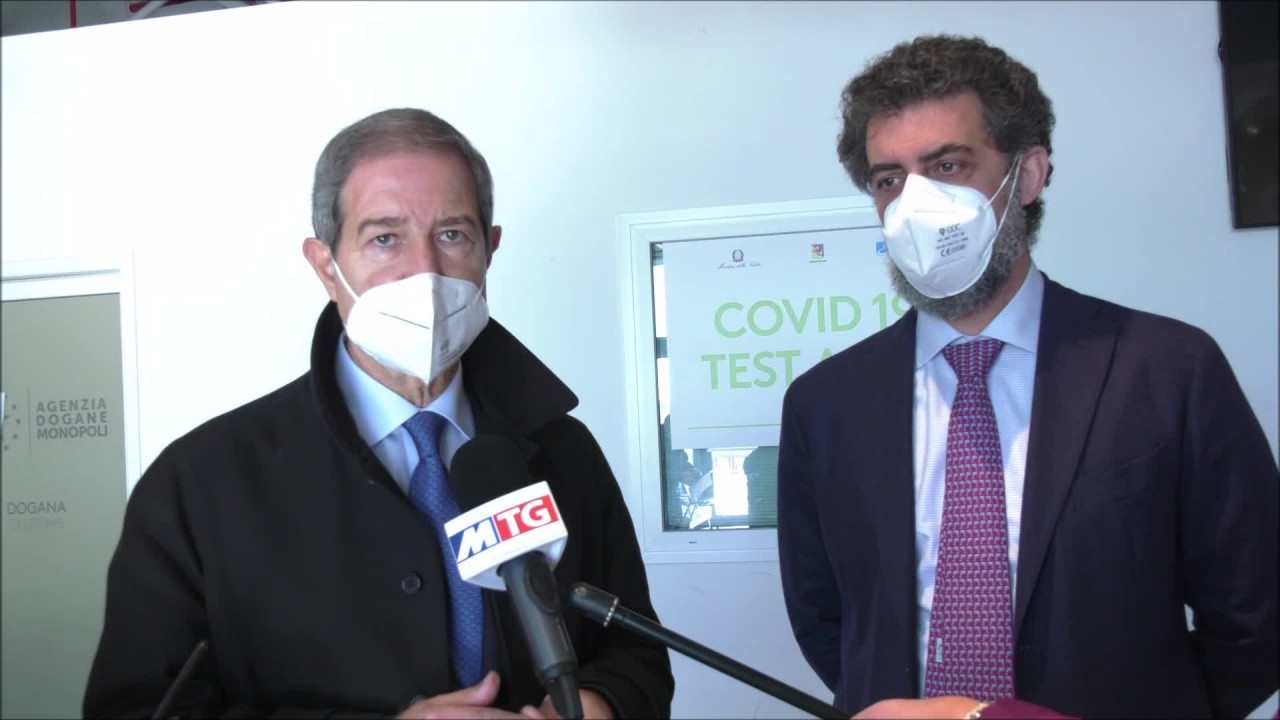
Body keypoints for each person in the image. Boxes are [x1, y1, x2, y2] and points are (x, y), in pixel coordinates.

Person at [83, 108, 674, 719]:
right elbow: (137, 709)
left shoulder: (565, 452)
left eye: (452, 235)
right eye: (385, 238)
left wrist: (598, 705)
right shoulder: (200, 482)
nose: (425, 271)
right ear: (325, 265)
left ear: (489, 250)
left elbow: (637, 652)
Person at [776, 35, 1278, 719]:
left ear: (1030, 174)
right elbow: (827, 621)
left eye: (948, 165)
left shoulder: (1166, 370)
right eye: (889, 179)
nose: (915, 203)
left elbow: (1256, 617)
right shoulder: (826, 403)